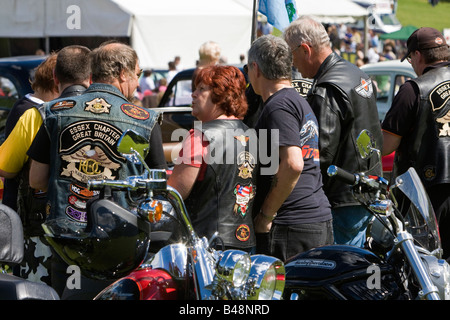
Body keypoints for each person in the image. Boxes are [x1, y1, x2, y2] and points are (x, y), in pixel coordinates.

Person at [27, 41, 167, 299]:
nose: (137, 82)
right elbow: (159, 187)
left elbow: (36, 179)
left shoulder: (56, 111)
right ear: (123, 73)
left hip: (67, 237)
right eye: (137, 74)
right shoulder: (144, 120)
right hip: (119, 241)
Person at [284, 16, 383, 248]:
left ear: (306, 50)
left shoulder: (326, 87)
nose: (292, 64)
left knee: (336, 270)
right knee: (357, 266)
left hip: (342, 195)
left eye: (292, 55)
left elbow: (320, 151)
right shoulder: (358, 74)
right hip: (366, 188)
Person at [247, 34, 333, 262]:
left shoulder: (278, 106)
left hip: (292, 223)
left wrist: (266, 214)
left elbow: (294, 164)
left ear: (255, 68)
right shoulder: (296, 100)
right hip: (312, 216)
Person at [167, 65, 257, 252]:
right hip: (245, 241)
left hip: (206, 243)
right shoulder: (252, 134)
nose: (193, 94)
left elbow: (175, 194)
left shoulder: (200, 136)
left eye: (201, 89)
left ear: (221, 95)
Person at [381, 27, 450, 258]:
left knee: (423, 267)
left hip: (424, 196)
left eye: (410, 57)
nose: (411, 63)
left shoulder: (414, 90)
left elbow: (387, 145)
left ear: (418, 55)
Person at [0, 53, 59, 286]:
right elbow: (6, 168)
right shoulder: (32, 112)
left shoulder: (28, 108)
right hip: (27, 219)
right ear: (58, 83)